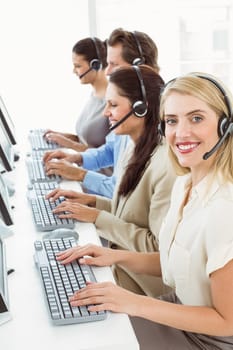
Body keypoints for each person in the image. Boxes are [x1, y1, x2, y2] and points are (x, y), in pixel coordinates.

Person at [55, 72, 233, 349]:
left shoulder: (224, 209)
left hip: (206, 339)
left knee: (93, 339)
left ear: (225, 126)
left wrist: (135, 303)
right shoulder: (186, 184)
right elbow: (175, 258)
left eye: (196, 118)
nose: (180, 132)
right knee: (84, 325)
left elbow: (226, 321)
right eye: (171, 121)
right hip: (178, 310)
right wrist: (114, 255)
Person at [46, 65, 176, 298]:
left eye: (113, 105)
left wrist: (97, 217)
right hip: (120, 271)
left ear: (141, 108)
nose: (105, 112)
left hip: (143, 289)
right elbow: (130, 215)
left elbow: (156, 248)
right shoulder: (133, 148)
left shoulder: (165, 166)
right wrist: (91, 202)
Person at [43, 28, 160, 198]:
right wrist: (77, 158)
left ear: (139, 66)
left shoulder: (152, 118)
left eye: (114, 64)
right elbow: (110, 150)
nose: (107, 71)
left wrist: (80, 174)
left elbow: (123, 193)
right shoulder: (125, 110)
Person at [43, 36, 110, 152]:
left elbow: (106, 155)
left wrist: (68, 144)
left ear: (95, 65)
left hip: (98, 170)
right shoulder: (94, 96)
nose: (74, 71)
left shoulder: (112, 102)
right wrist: (61, 136)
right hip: (83, 168)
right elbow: (88, 141)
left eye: (78, 66)